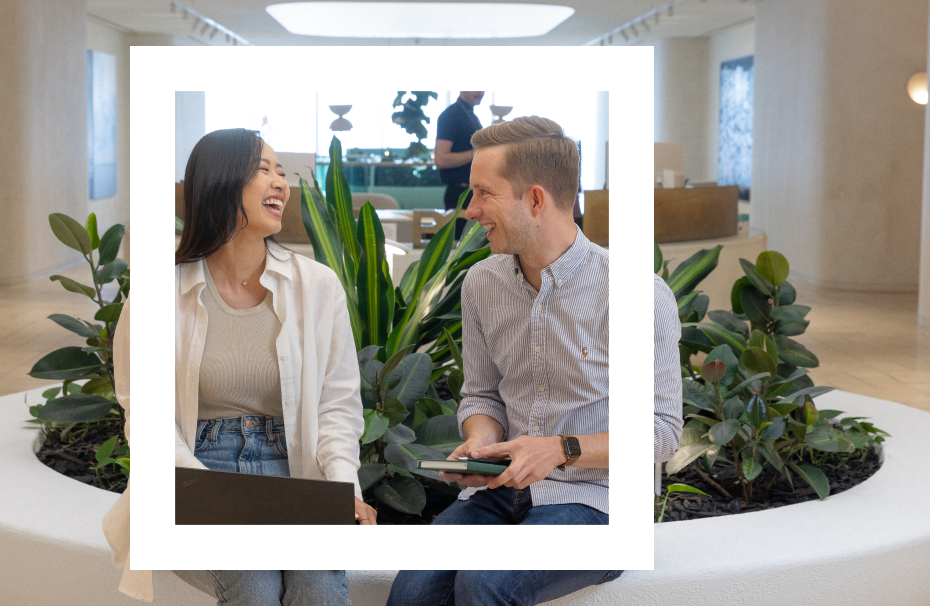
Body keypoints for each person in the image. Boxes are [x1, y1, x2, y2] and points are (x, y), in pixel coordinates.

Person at [385, 116, 683, 606]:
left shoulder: (637, 294)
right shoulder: (482, 282)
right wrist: (480, 444)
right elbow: (481, 393)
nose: (470, 210)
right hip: (499, 491)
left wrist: (559, 449)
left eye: (482, 193)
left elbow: (662, 431)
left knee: (484, 583)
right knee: (412, 592)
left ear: (536, 200)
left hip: (598, 503)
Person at [102, 128, 377, 604]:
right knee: (253, 584)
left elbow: (337, 404)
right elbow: (146, 419)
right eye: (263, 169)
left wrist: (341, 488)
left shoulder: (317, 285)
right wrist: (202, 492)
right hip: (199, 470)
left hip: (297, 473)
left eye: (281, 172)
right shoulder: (157, 295)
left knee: (317, 588)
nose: (281, 183)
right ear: (221, 182)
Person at [434, 91, 485, 239]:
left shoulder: (471, 115)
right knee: (457, 251)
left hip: (471, 193)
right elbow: (441, 159)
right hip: (459, 196)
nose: (481, 91)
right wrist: (476, 153)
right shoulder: (449, 116)